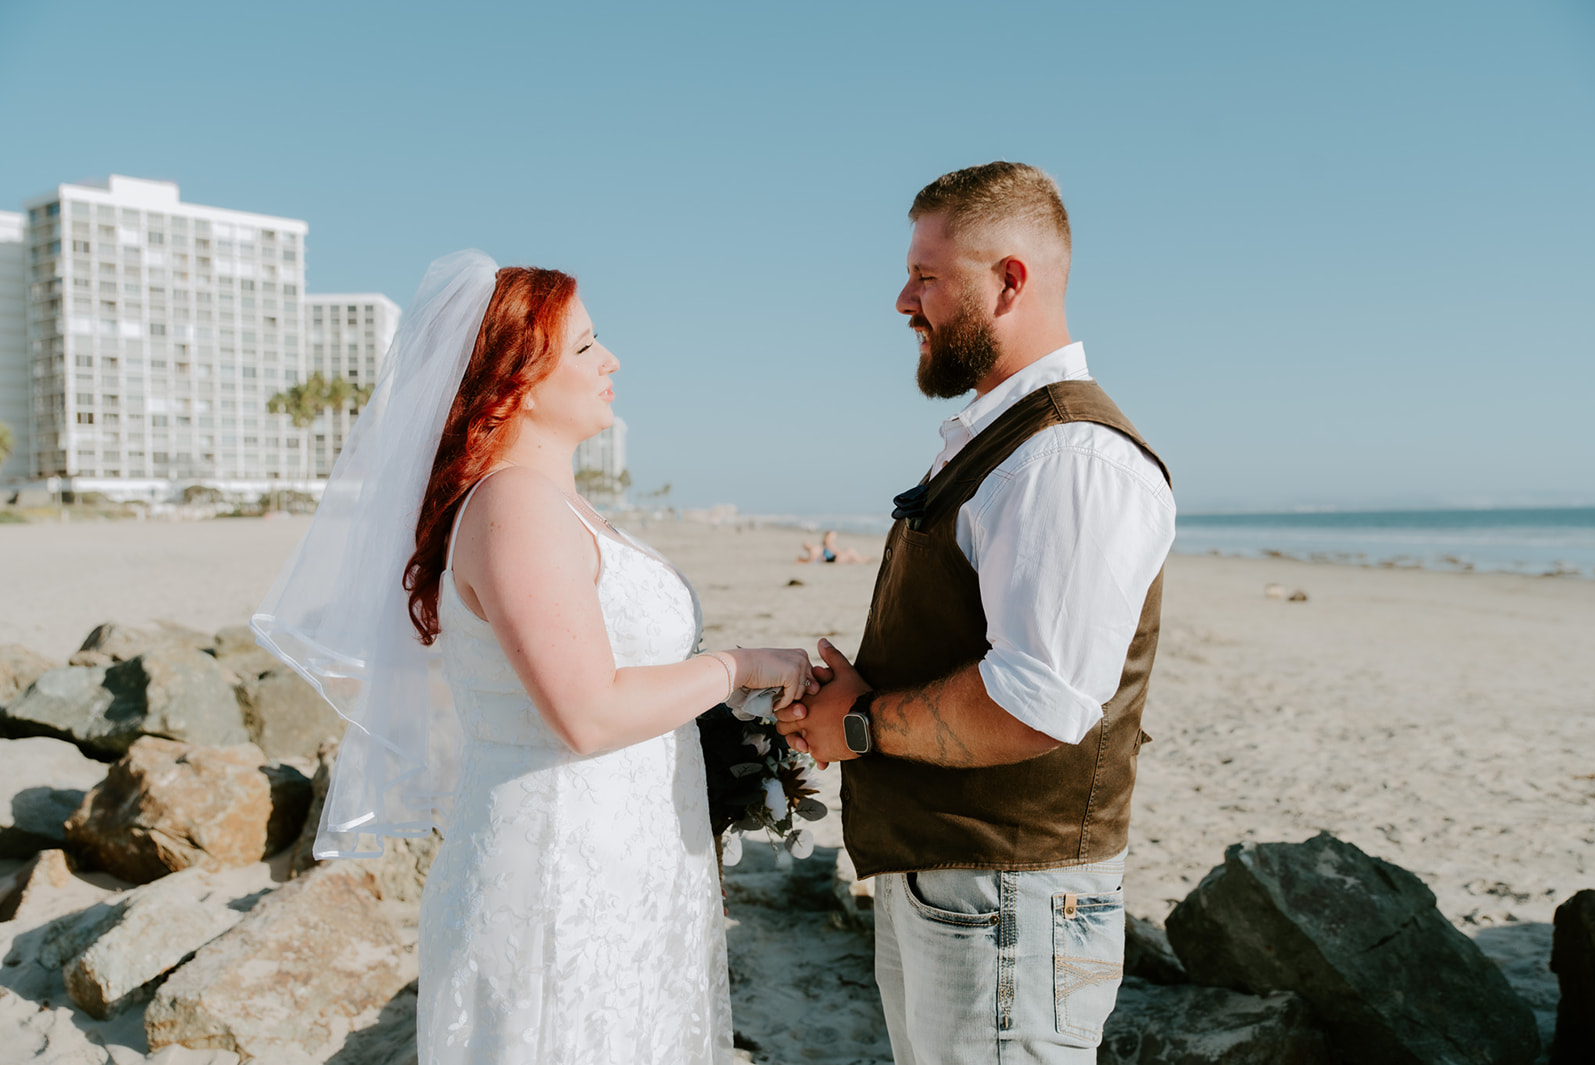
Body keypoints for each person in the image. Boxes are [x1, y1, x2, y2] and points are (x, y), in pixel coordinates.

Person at [254, 251, 814, 1064]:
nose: (612, 359)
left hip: (629, 861)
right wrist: (739, 666)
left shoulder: (558, 503)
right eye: (585, 347)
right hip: (559, 873)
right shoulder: (514, 505)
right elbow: (586, 712)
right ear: (513, 377)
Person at [776, 163, 1176, 1062]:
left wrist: (863, 725)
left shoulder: (1070, 460)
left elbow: (1037, 699)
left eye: (927, 275)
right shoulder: (1005, 444)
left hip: (1011, 899)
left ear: (1010, 280)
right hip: (958, 887)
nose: (902, 300)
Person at [796, 529, 874, 564]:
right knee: (850, 551)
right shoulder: (817, 548)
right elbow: (811, 560)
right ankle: (862, 560)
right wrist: (802, 561)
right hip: (833, 559)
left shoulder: (821, 546)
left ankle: (863, 559)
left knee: (850, 552)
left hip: (833, 558)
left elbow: (811, 560)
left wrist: (801, 560)